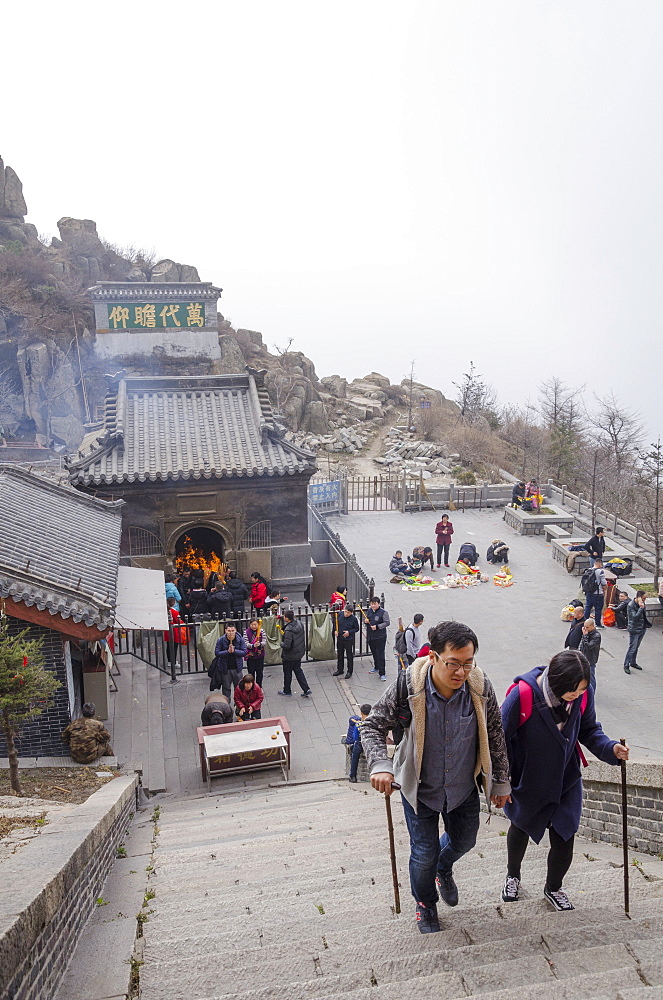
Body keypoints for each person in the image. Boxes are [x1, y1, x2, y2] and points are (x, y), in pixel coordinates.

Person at [362, 620, 511, 934]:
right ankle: (425, 904)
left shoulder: (480, 688)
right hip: (420, 787)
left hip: (462, 785)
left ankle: (444, 867)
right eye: (453, 664)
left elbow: (496, 732)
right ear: (433, 657)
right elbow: (371, 725)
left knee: (465, 841)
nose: (460, 672)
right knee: (424, 852)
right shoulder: (409, 685)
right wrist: (380, 765)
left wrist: (500, 781)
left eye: (467, 664)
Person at [500, 649, 629, 911]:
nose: (578, 694)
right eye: (573, 690)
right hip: (528, 777)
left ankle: (553, 887)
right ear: (557, 681)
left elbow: (590, 730)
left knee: (565, 832)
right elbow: (499, 740)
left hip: (566, 778)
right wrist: (500, 781)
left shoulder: (583, 695)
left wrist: (611, 749)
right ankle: (512, 875)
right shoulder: (523, 695)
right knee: (521, 826)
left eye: (582, 689)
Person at [279, 609, 312, 697]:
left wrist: (281, 643)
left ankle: (287, 690)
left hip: (289, 656)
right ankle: (306, 689)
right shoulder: (299, 623)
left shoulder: (289, 630)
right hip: (298, 653)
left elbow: (287, 645)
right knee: (298, 670)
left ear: (286, 618)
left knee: (287, 673)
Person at [211, 624, 247, 698]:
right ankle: (227, 704)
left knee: (239, 688)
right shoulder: (221, 640)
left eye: (232, 631)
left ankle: (238, 704)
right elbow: (217, 653)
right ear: (225, 631)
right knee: (226, 688)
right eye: (229, 631)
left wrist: (234, 651)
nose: (231, 633)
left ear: (235, 631)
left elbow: (244, 652)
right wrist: (227, 652)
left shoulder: (240, 639)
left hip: (237, 668)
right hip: (226, 669)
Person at [345, 703, 372, 782]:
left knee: (355, 758)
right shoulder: (374, 723)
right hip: (370, 743)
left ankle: (353, 776)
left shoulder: (359, 724)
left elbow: (355, 737)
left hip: (360, 743)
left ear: (361, 713)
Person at [624, 590, 649, 674]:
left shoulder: (642, 604)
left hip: (642, 628)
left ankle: (633, 662)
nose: (645, 600)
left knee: (636, 647)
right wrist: (641, 608)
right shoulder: (631, 605)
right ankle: (626, 665)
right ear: (638, 598)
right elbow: (635, 617)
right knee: (632, 648)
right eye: (643, 598)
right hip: (634, 629)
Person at [366, 597, 390, 681]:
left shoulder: (383, 613)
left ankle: (382, 673)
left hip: (380, 636)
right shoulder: (369, 611)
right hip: (371, 636)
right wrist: (365, 621)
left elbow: (387, 622)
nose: (373, 605)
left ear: (379, 604)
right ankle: (376, 667)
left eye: (374, 604)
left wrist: (377, 627)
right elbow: (367, 620)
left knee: (380, 654)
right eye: (372, 604)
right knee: (374, 652)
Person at [333, 605, 360, 678]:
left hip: (348, 640)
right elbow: (336, 623)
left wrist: (349, 632)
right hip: (340, 638)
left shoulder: (353, 619)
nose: (346, 614)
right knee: (340, 654)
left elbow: (357, 628)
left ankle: (349, 671)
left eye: (348, 613)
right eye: (345, 612)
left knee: (349, 655)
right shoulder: (340, 614)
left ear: (351, 613)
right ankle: (340, 669)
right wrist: (336, 630)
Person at [583, 558, 607, 628]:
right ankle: (598, 624)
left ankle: (584, 622)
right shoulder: (600, 572)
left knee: (588, 607)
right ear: (600, 564)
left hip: (589, 593)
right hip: (598, 594)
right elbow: (604, 583)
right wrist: (605, 591)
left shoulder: (588, 570)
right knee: (598, 609)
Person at [578, 619, 601, 690]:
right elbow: (582, 644)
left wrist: (585, 636)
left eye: (587, 627)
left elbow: (588, 646)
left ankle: (592, 693)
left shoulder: (596, 636)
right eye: (584, 627)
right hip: (584, 657)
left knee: (591, 678)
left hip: (590, 660)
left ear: (592, 626)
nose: (585, 629)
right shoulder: (587, 633)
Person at [244, 619, 266, 687]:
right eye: (252, 625)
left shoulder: (261, 631)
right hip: (251, 656)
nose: (253, 626)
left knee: (260, 672)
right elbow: (245, 643)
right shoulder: (246, 632)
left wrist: (259, 644)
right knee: (251, 672)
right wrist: (253, 645)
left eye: (255, 625)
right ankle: (252, 686)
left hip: (260, 655)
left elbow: (265, 642)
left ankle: (259, 686)